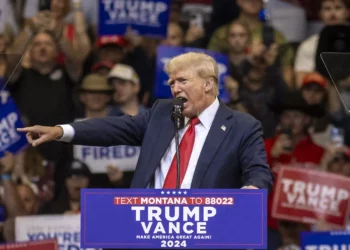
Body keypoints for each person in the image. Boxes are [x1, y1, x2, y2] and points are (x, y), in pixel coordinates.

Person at [17, 52, 274, 190]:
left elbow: (259, 172)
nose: (175, 89)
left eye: (183, 81)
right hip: (149, 229)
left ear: (208, 84)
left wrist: (252, 189)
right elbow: (114, 127)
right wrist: (60, 130)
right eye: (172, 83)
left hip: (205, 232)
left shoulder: (242, 126)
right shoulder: (163, 112)